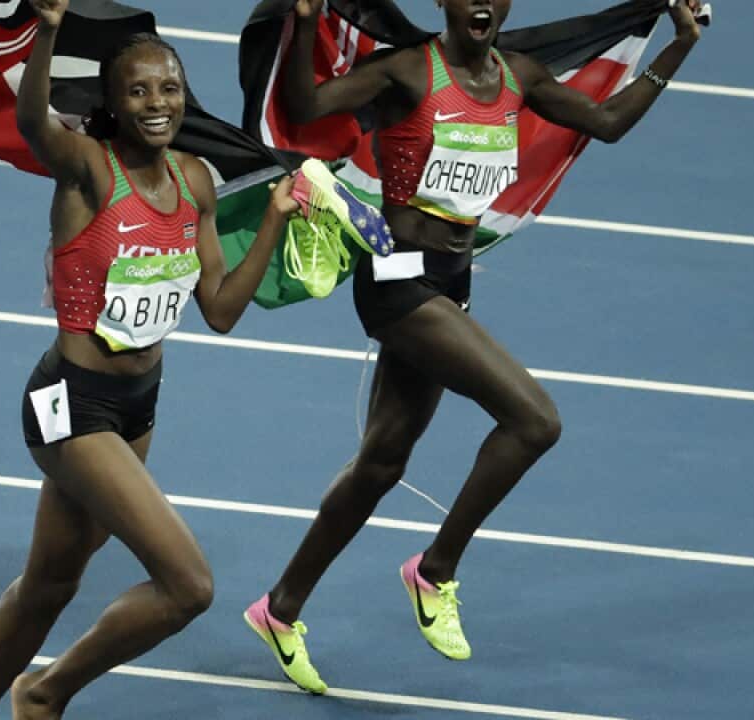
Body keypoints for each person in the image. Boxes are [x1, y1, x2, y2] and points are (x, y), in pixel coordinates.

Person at [244, 0, 706, 693]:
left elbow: (607, 123)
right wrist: (307, 21)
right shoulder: (407, 71)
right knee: (534, 421)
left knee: (382, 462)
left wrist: (680, 44)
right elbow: (307, 107)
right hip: (397, 280)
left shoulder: (520, 76)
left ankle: (279, 609)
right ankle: (435, 571)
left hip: (451, 279)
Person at [0, 0, 300, 717]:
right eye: (138, 91)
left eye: (169, 88)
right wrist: (46, 32)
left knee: (49, 586)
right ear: (111, 100)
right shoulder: (89, 172)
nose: (157, 103)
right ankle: (43, 693)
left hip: (138, 409)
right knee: (188, 586)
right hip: (71, 405)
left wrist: (274, 221)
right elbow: (33, 124)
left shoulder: (194, 181)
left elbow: (221, 310)